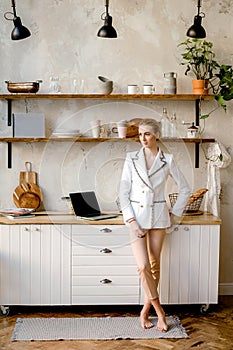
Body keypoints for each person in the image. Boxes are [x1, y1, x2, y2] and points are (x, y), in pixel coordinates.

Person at [119, 118, 190, 332]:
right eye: (140, 134)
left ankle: (144, 311)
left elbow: (185, 188)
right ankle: (160, 312)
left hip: (159, 217)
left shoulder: (168, 160)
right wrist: (131, 220)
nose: (143, 138)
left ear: (157, 135)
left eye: (147, 134)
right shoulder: (131, 158)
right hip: (136, 218)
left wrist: (175, 212)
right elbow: (123, 192)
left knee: (154, 266)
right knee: (143, 266)